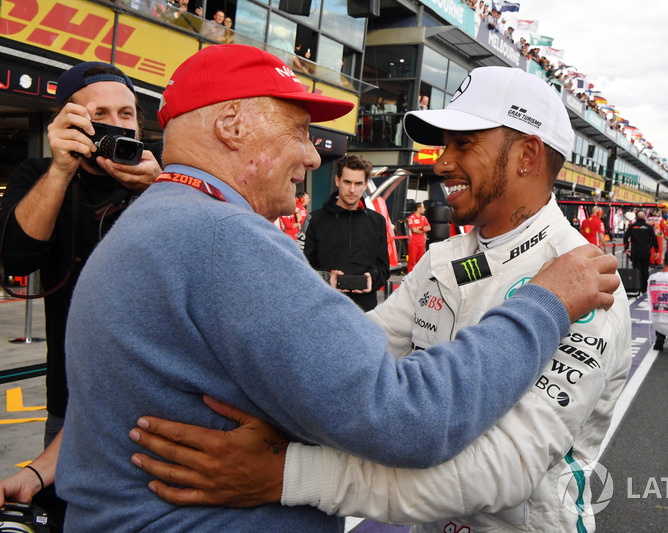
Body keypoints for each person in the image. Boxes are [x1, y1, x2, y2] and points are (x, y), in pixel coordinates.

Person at [0, 47, 620, 532]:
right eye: (299, 129)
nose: (314, 155)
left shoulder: (586, 282)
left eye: (463, 144)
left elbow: (498, 467)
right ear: (234, 125)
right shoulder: (223, 236)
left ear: (527, 157)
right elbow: (388, 401)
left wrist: (284, 475)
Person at [0, 60, 161, 529]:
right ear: (69, 120)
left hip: (159, 409)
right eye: (101, 113)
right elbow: (18, 257)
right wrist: (60, 171)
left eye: (127, 113)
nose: (117, 124)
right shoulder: (43, 174)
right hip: (71, 406)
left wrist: (160, 188)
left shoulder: (166, 177)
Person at [303, 154, 389, 311]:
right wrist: (329, 278)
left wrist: (372, 279)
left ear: (366, 185)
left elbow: (384, 269)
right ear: (337, 180)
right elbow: (302, 267)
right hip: (325, 308)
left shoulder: (377, 222)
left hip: (365, 311)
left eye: (358, 183)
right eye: (347, 182)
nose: (352, 189)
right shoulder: (314, 219)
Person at [624, 210, 659, 294]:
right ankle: (644, 288)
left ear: (636, 217)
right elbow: (654, 238)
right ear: (644, 217)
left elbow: (626, 237)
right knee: (645, 270)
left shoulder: (632, 226)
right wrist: (657, 250)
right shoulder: (648, 227)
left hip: (635, 252)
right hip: (646, 252)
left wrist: (626, 248)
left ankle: (636, 287)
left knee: (636, 270)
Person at [405, 201, 430, 272]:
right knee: (412, 261)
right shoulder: (411, 218)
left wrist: (419, 228)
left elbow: (429, 228)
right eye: (423, 207)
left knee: (420, 262)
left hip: (422, 243)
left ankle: (419, 277)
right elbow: (414, 230)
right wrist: (422, 229)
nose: (424, 209)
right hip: (413, 243)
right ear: (418, 209)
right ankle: (410, 277)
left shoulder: (423, 218)